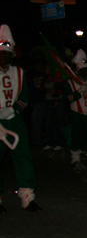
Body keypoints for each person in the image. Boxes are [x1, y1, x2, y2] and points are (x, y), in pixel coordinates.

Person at [0, 24, 42, 213]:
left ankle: (27, 196)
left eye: (6, 53)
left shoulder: (19, 72)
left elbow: (25, 95)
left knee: (23, 156)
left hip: (14, 120)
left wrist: (15, 110)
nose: (3, 56)